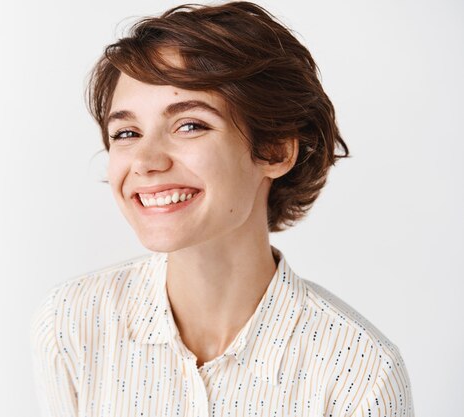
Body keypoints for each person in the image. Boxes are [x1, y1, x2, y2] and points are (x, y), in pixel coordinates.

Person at [31, 2, 414, 416]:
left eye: (190, 125)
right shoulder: (72, 323)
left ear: (274, 150)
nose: (145, 160)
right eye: (126, 132)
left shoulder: (359, 374)